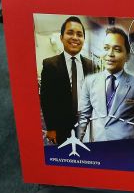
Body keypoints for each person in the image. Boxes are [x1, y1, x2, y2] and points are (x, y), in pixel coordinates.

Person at [78, 27, 134, 142]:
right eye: (106, 48)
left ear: (127, 56)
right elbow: (83, 118)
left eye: (117, 49)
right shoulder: (89, 82)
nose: (110, 54)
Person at [38, 16, 96, 145]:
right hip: (61, 126)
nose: (75, 37)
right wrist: (51, 128)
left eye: (79, 34)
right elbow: (46, 100)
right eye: (70, 33)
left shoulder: (91, 66)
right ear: (61, 37)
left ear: (83, 39)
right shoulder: (50, 65)